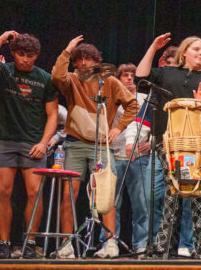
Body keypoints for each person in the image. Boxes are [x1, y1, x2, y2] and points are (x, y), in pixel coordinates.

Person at [136, 34, 201, 260]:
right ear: (184, 52)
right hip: (169, 143)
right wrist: (152, 47)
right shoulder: (167, 73)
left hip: (200, 145)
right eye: (197, 49)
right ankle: (165, 248)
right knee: (174, 192)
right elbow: (141, 77)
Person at [51, 37, 138, 258]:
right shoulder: (71, 79)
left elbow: (132, 104)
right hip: (75, 143)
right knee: (69, 194)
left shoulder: (109, 81)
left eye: (88, 60)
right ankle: (66, 244)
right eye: (79, 60)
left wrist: (118, 128)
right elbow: (56, 76)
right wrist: (67, 51)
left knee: (105, 195)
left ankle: (110, 243)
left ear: (97, 62)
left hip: (101, 146)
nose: (83, 64)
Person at [0, 31, 59, 259]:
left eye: (30, 55)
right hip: (4, 140)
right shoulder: (4, 71)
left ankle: (29, 242)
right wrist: (1, 40)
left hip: (33, 142)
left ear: (36, 56)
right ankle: (4, 242)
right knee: (3, 191)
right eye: (21, 54)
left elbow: (52, 115)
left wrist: (44, 143)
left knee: (34, 192)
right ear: (13, 53)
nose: (25, 59)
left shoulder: (45, 78)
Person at [112, 63, 152, 255]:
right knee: (111, 205)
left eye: (132, 75)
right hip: (113, 155)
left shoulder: (145, 99)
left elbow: (156, 122)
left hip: (139, 157)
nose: (129, 78)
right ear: (118, 78)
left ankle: (141, 244)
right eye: (124, 75)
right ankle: (109, 243)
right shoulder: (111, 99)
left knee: (141, 205)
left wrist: (151, 143)